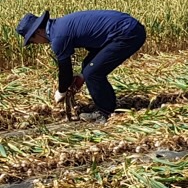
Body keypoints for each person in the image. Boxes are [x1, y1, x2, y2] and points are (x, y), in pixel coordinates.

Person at [15, 9, 147, 122]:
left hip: (127, 33)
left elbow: (65, 71)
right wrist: (81, 76)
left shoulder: (58, 37)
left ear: (38, 32)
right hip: (127, 28)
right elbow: (96, 46)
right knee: (88, 68)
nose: (36, 43)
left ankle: (106, 113)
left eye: (32, 41)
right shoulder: (59, 26)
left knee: (93, 73)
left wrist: (61, 91)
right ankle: (107, 107)